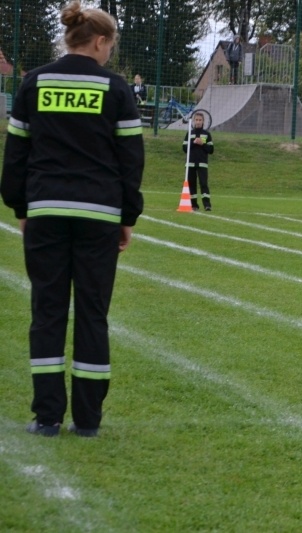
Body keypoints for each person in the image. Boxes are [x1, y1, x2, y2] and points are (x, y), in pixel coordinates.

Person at [0, 0, 144, 437]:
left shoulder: (33, 83)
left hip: (45, 211)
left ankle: (46, 417)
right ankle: (88, 420)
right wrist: (127, 216)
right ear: (99, 41)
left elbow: (16, 156)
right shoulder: (116, 89)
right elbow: (129, 161)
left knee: (47, 311)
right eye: (110, 45)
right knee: (92, 313)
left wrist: (21, 208)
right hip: (99, 214)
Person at [182, 113, 214, 211]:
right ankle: (194, 205)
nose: (198, 122)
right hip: (190, 163)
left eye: (200, 120)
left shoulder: (206, 134)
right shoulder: (189, 133)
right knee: (192, 184)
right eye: (197, 120)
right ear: (194, 121)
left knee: (203, 183)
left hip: (202, 163)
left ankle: (207, 205)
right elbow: (184, 148)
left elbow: (211, 150)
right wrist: (193, 142)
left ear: (203, 121)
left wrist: (202, 144)